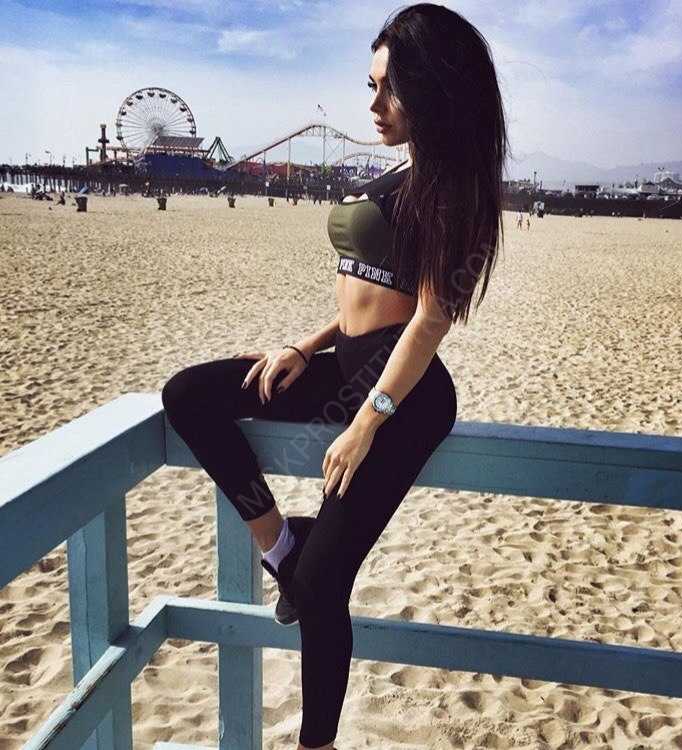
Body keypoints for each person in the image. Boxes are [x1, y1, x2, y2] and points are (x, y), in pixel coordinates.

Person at [160, 3, 508, 748]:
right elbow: (362, 282)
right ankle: (281, 543)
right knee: (190, 395)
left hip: (403, 395)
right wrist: (303, 345)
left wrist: (366, 420)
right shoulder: (402, 167)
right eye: (371, 85)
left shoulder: (457, 186)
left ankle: (314, 741)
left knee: (320, 593)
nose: (374, 105)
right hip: (344, 366)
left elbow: (429, 319)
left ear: (435, 89)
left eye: (390, 89)